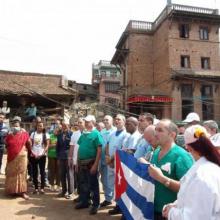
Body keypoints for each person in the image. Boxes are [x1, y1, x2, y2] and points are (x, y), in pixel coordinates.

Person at [162, 125, 220, 220]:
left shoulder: (201, 175)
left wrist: (170, 212)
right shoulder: (207, 168)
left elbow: (195, 217)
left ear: (188, 147)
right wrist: (176, 205)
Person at [148, 119, 194, 220]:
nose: (155, 133)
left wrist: (162, 178)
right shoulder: (156, 152)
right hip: (153, 210)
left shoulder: (182, 156)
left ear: (172, 135)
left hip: (171, 214)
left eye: (160, 130)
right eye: (155, 130)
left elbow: (190, 189)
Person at [75, 115, 103, 215]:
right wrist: (77, 162)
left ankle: (95, 204)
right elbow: (79, 148)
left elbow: (99, 150)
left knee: (93, 185)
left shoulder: (96, 134)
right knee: (83, 183)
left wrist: (96, 165)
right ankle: (85, 201)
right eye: (85, 122)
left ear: (93, 122)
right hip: (82, 163)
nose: (86, 123)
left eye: (88, 122)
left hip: (91, 163)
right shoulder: (84, 134)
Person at [106, 114, 130, 215]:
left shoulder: (126, 134)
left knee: (119, 186)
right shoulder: (112, 133)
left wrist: (111, 160)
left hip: (119, 164)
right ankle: (116, 204)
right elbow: (107, 145)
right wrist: (107, 157)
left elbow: (121, 150)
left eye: (119, 119)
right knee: (111, 184)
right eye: (115, 119)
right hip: (110, 163)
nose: (117, 121)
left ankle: (119, 206)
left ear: (124, 122)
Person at [5, 118, 31, 200]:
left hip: (22, 156)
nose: (16, 124)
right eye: (14, 123)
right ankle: (12, 191)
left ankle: (22, 192)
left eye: (17, 123)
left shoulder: (24, 133)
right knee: (12, 173)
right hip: (11, 157)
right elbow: (6, 144)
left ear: (20, 124)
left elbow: (29, 143)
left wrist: (28, 151)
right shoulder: (9, 134)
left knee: (22, 173)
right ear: (12, 124)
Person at [99, 115, 116, 207]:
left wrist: (109, 158)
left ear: (112, 121)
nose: (105, 121)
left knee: (110, 180)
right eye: (104, 120)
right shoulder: (102, 131)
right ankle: (108, 197)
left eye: (107, 120)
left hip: (111, 159)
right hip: (102, 159)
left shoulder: (115, 131)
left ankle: (110, 198)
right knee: (103, 179)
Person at [30, 121, 50, 194]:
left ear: (43, 127)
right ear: (36, 126)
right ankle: (35, 188)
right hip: (34, 155)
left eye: (41, 126)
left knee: (42, 171)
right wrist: (32, 153)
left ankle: (42, 188)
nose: (40, 127)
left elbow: (47, 145)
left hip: (42, 156)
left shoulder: (46, 134)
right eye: (38, 126)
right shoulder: (33, 134)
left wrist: (42, 153)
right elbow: (30, 144)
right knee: (34, 172)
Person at [69, 117, 85, 200]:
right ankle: (80, 196)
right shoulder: (75, 134)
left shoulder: (88, 133)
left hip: (86, 160)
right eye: (78, 122)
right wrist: (70, 158)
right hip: (76, 160)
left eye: (81, 122)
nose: (79, 124)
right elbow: (71, 147)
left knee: (85, 179)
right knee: (78, 178)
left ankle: (86, 197)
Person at [56, 120, 73, 199]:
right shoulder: (59, 135)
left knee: (69, 175)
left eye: (65, 125)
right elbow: (58, 147)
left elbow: (72, 147)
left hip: (69, 157)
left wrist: (72, 157)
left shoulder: (72, 134)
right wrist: (58, 158)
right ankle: (64, 191)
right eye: (63, 125)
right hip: (61, 157)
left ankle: (70, 192)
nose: (64, 126)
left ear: (68, 125)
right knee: (62, 174)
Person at [48, 127, 61, 192]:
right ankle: (52, 185)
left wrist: (54, 145)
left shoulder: (60, 137)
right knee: (52, 171)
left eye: (57, 130)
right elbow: (48, 146)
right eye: (55, 130)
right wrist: (54, 145)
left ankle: (58, 185)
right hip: (51, 155)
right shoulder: (50, 136)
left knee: (58, 171)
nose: (56, 131)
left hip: (59, 156)